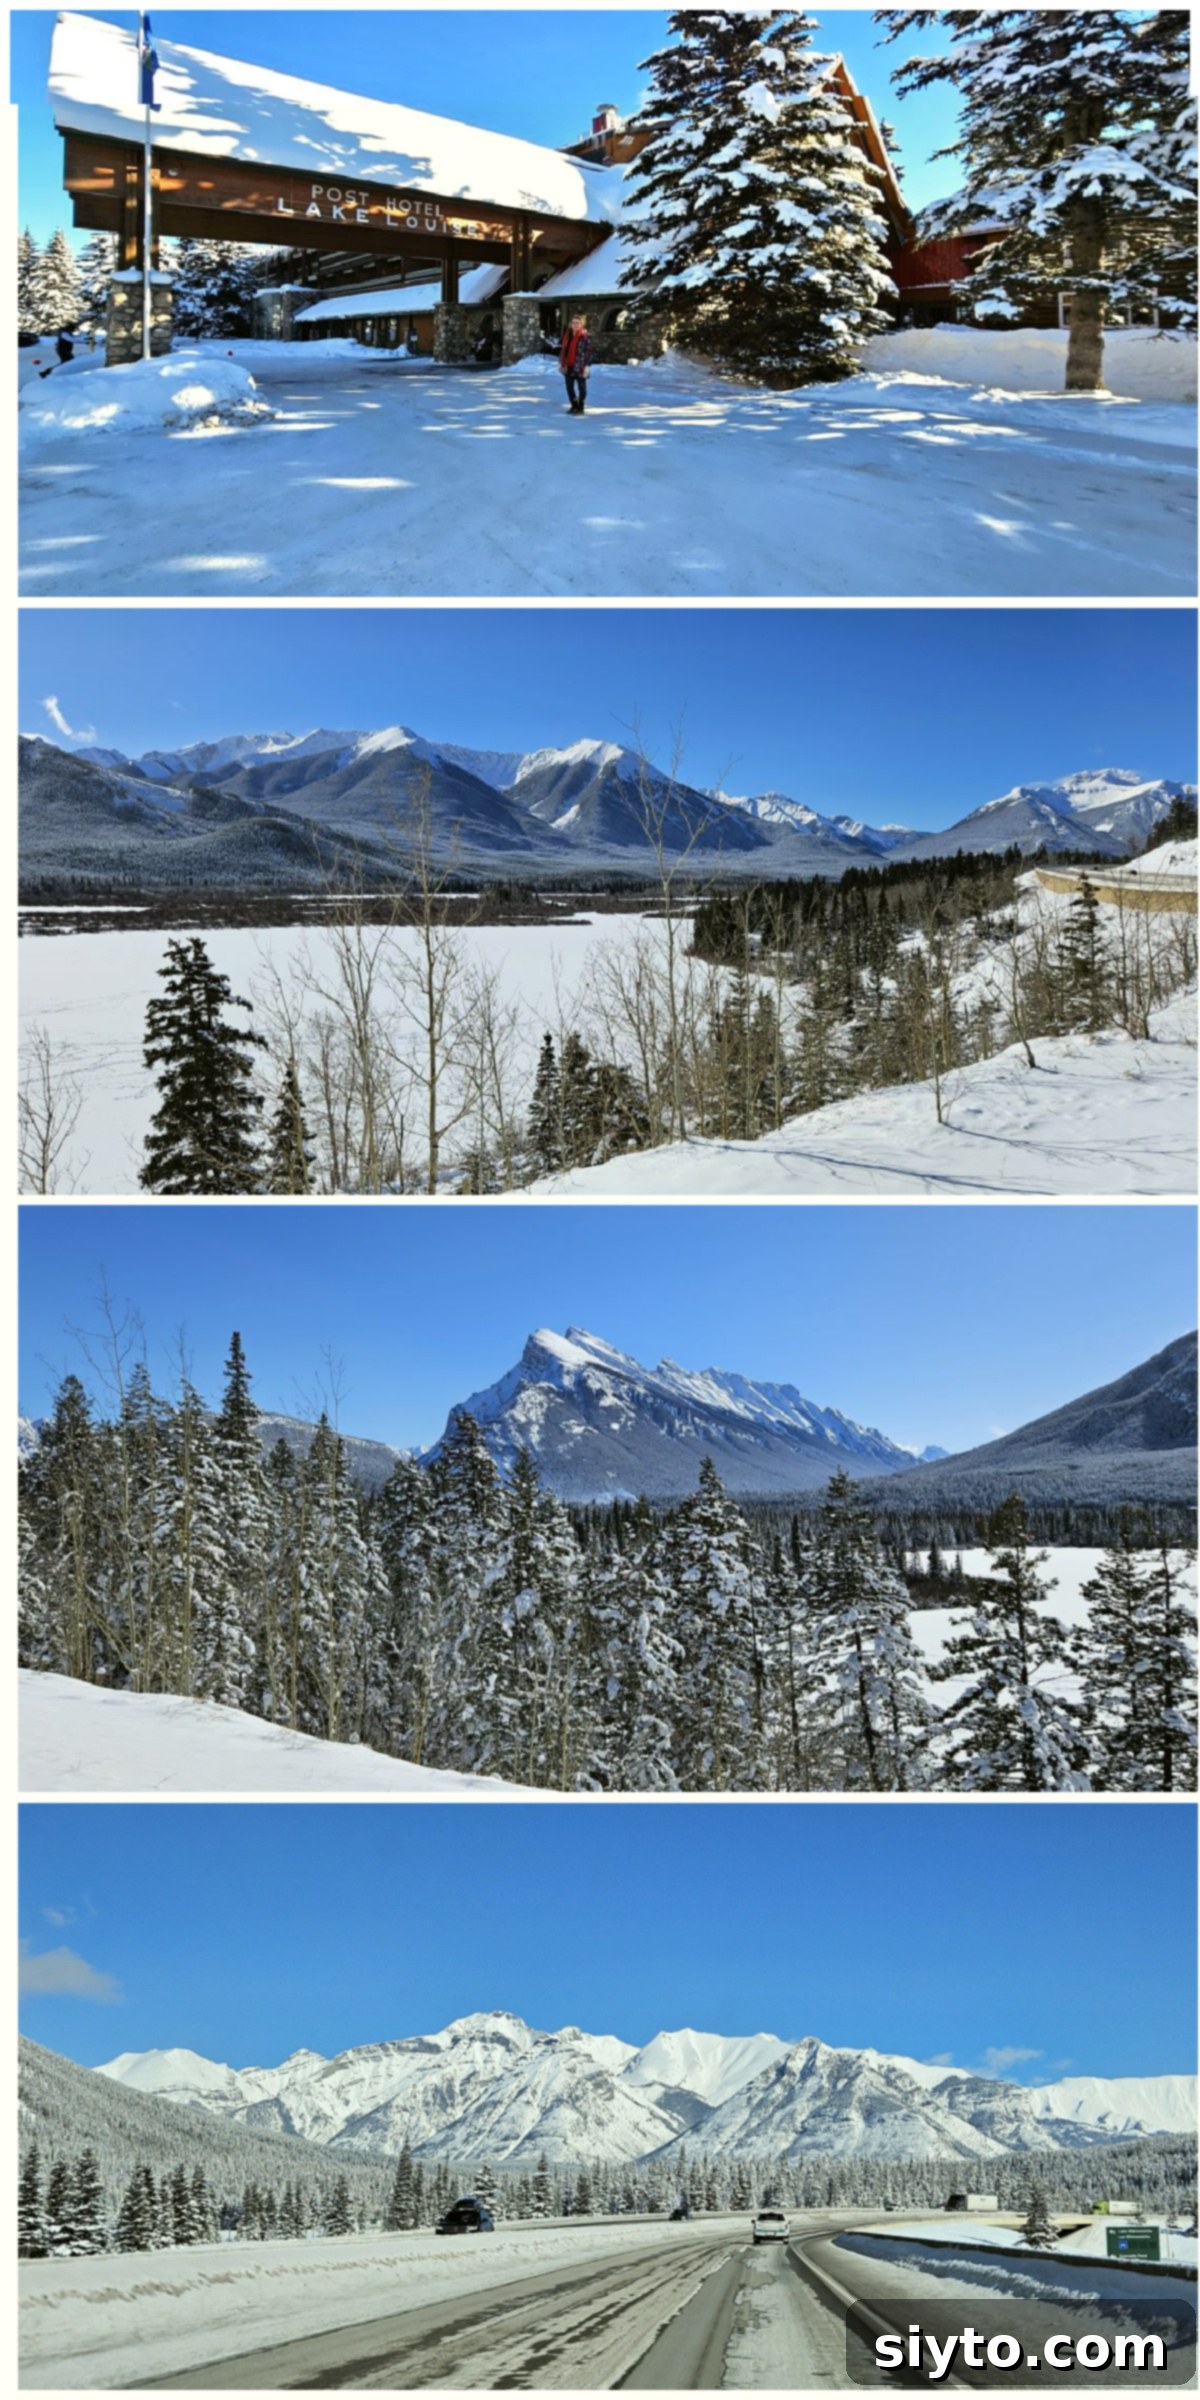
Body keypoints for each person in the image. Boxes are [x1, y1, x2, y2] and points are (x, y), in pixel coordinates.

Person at [559, 314, 593, 415]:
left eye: (577, 323)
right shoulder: (568, 335)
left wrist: (587, 366)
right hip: (568, 365)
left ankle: (581, 406)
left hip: (580, 366)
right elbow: (564, 350)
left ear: (581, 324)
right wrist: (561, 362)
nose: (575, 325)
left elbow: (590, 352)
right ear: (571, 324)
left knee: (582, 388)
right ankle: (574, 405)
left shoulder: (585, 336)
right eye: (573, 323)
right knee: (569, 387)